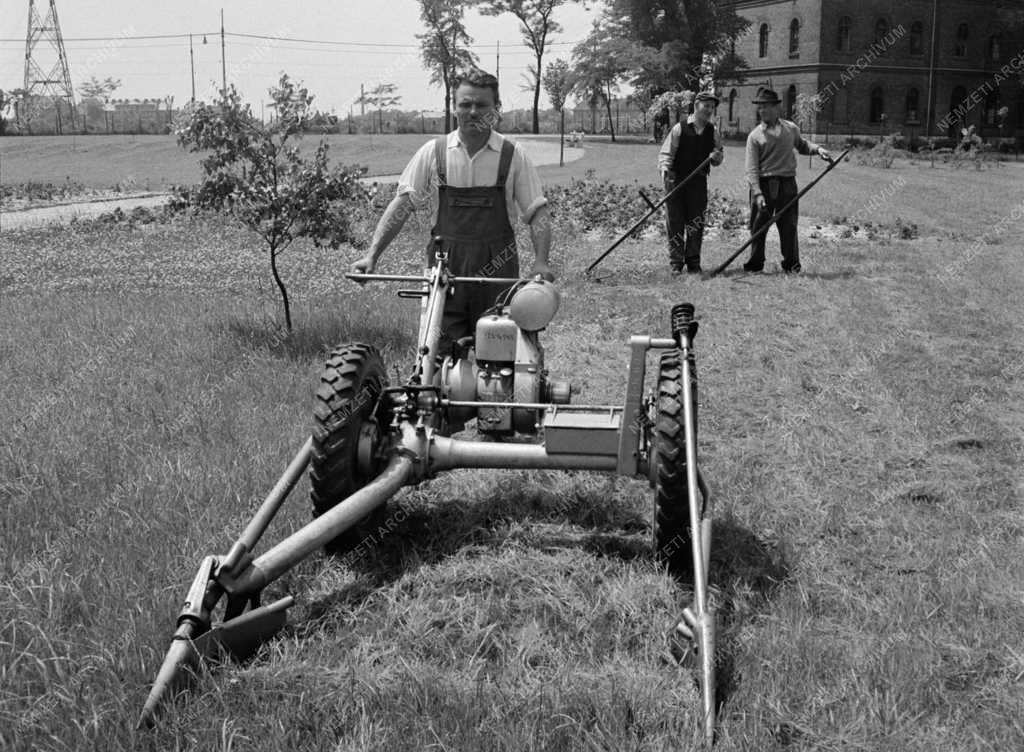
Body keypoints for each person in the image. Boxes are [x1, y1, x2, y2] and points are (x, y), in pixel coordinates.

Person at [350, 68, 553, 356]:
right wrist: (372, 256)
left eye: (481, 105)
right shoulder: (434, 152)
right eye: (465, 104)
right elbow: (403, 205)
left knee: (499, 354)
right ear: (454, 107)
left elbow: (537, 212)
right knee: (437, 358)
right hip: (445, 273)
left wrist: (541, 262)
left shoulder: (513, 155)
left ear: (496, 109)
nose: (472, 112)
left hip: (497, 272)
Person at [743, 88, 831, 274]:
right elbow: (751, 170)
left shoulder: (791, 129)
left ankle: (791, 265)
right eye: (760, 108)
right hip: (765, 185)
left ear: (777, 108)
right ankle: (755, 264)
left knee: (789, 225)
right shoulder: (755, 136)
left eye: (765, 107)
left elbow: (803, 145)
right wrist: (757, 193)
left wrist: (818, 150)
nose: (762, 111)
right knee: (758, 226)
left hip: (787, 185)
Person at [657, 92, 725, 275]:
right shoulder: (680, 128)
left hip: (698, 183)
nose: (709, 110)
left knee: (696, 223)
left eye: (712, 107)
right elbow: (666, 154)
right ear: (696, 105)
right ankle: (676, 263)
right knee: (675, 223)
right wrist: (665, 173)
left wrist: (716, 157)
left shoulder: (713, 131)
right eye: (706, 106)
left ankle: (693, 262)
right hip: (677, 182)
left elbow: (718, 157)